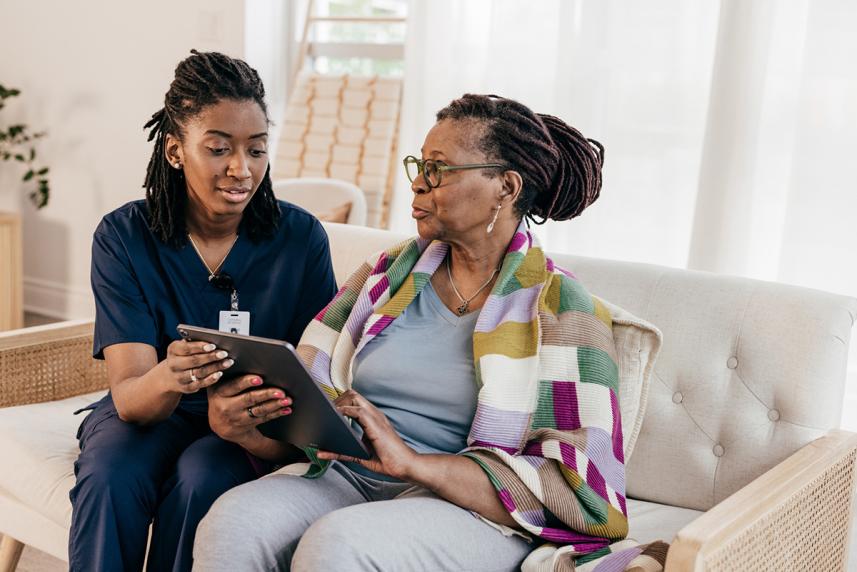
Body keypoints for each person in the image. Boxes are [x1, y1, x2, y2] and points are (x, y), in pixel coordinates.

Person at [193, 93, 668, 571]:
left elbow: (577, 489)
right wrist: (250, 432)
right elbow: (316, 409)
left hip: (474, 510)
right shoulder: (387, 276)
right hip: (350, 474)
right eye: (419, 166)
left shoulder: (562, 307)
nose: (418, 184)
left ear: (505, 187)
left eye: (438, 169)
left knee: (338, 544)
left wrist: (414, 464)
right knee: (232, 520)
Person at [68, 50, 337, 572]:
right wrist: (173, 375)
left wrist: (253, 425)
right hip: (156, 404)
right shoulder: (124, 237)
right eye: (218, 149)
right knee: (110, 473)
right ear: (174, 150)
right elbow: (132, 401)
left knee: (203, 476)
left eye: (257, 150)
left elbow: (318, 380)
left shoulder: (301, 238)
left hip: (248, 423)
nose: (242, 169)